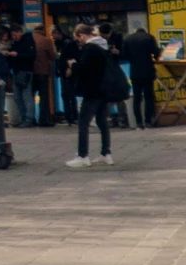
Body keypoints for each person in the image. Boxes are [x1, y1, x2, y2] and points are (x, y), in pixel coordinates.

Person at [66, 24, 115, 167]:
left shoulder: (90, 48)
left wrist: (73, 64)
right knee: (102, 122)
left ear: (82, 35)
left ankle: (83, 156)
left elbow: (85, 69)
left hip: (92, 90)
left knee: (83, 122)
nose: (78, 42)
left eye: (78, 38)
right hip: (103, 89)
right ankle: (106, 153)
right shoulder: (104, 46)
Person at [122, 20, 160, 130]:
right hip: (148, 71)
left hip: (135, 72)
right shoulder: (149, 38)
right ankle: (148, 121)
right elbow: (156, 54)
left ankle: (139, 122)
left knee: (137, 98)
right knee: (149, 97)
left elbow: (124, 55)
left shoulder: (128, 39)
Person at [32, 24, 58, 128]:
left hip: (30, 72)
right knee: (44, 97)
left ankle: (30, 118)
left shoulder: (30, 39)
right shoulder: (46, 41)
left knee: (29, 97)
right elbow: (53, 56)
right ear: (42, 30)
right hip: (42, 72)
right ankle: (44, 120)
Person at [12, 26, 36, 125]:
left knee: (26, 96)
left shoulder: (28, 41)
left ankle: (29, 119)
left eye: (15, 34)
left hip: (26, 71)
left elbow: (32, 55)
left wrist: (17, 55)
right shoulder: (16, 43)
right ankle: (23, 117)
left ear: (20, 32)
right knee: (17, 97)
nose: (14, 37)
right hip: (17, 71)